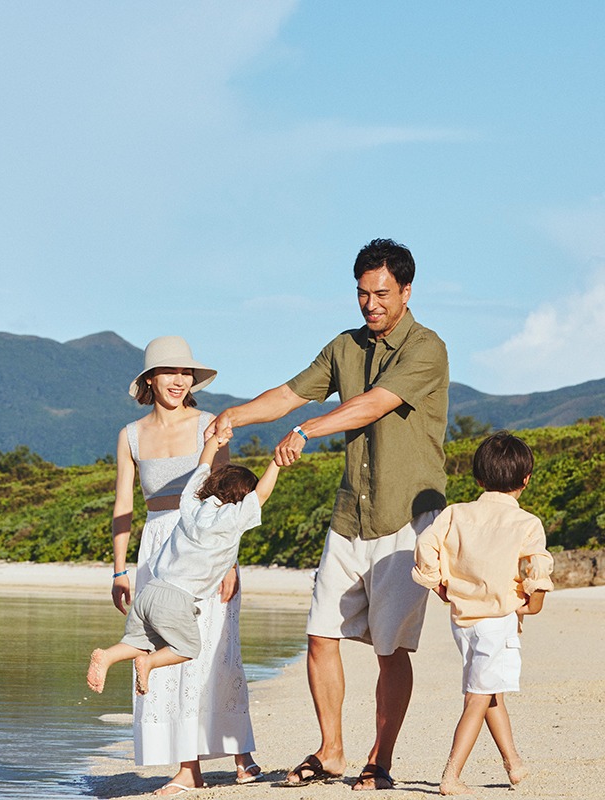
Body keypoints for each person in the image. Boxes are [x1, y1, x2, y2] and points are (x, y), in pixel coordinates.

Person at [210, 238, 448, 790]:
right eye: (363, 294)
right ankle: (332, 750)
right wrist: (235, 416)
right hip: (349, 516)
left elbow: (374, 402)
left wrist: (305, 431)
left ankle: (380, 760)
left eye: (382, 294)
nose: (371, 304)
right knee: (321, 636)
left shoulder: (427, 348)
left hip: (406, 519)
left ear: (407, 291)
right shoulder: (343, 346)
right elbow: (292, 393)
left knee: (391, 650)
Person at [110, 336, 261, 795]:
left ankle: (241, 752)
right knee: (170, 650)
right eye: (170, 372)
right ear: (150, 379)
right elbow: (122, 504)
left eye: (186, 373)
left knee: (217, 647)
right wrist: (120, 570)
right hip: (157, 549)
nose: (180, 380)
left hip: (208, 541)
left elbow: (230, 494)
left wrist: (231, 562)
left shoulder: (210, 425)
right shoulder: (131, 435)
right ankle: (187, 768)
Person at [410, 431, 554, 795]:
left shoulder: (455, 514)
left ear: (478, 478)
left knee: (490, 692)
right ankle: (451, 776)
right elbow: (537, 568)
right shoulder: (526, 523)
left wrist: (439, 585)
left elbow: (426, 544)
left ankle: (513, 764)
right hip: (496, 622)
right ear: (526, 480)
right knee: (478, 697)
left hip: (462, 622)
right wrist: (531, 604)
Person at [88, 429, 280, 699]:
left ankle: (107, 656)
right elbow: (262, 495)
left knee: (140, 642)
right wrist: (277, 462)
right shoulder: (232, 519)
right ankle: (150, 663)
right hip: (177, 599)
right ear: (241, 497)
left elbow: (202, 468)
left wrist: (211, 443)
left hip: (151, 590)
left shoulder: (191, 503)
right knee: (189, 648)